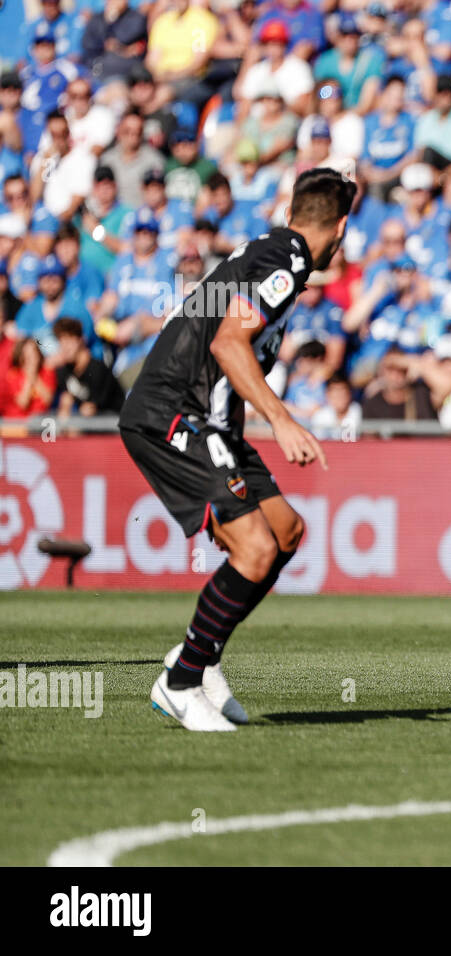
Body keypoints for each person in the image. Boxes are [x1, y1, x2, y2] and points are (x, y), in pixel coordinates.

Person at [118, 166, 355, 732]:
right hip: (172, 412)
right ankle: (179, 683)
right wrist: (283, 420)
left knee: (285, 533)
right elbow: (229, 342)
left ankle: (201, 661)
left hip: (210, 420)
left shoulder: (272, 251)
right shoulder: (289, 259)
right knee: (253, 549)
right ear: (340, 228)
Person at [53, 317, 123, 417]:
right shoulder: (64, 371)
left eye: (69, 341)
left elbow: (93, 408)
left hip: (111, 424)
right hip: (85, 425)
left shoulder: (98, 369)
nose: (65, 347)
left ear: (81, 340)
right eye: (61, 342)